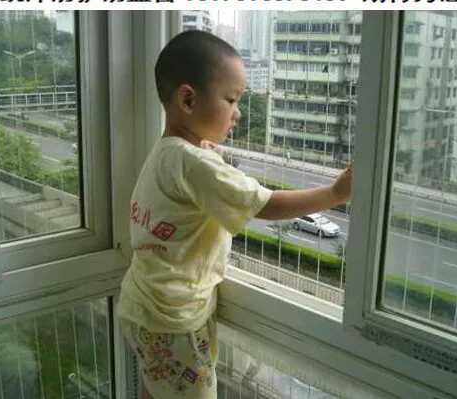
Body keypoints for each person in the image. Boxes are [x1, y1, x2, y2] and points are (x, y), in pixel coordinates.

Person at [117, 30, 353, 399]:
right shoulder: (194, 163)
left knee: (156, 389)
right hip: (174, 323)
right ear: (188, 100)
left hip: (141, 306)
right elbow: (266, 204)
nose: (238, 114)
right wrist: (334, 194)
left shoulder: (167, 152)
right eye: (231, 100)